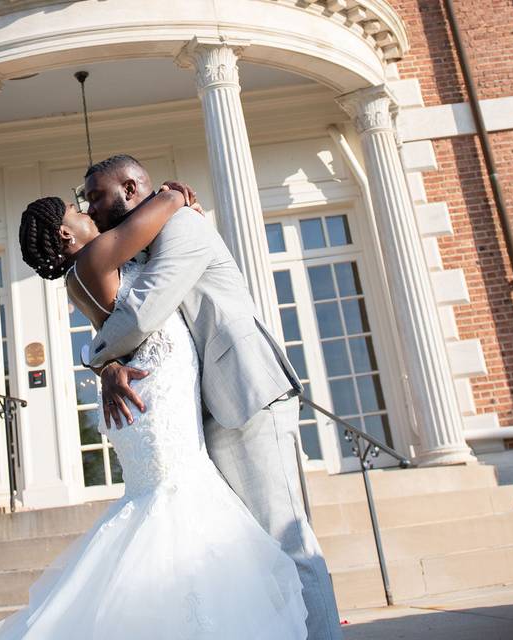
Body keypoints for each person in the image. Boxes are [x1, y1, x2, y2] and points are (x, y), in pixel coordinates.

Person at [0, 183, 307, 639]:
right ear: (67, 237)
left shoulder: (89, 272)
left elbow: (112, 332)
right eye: (77, 209)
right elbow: (155, 214)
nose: (87, 212)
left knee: (179, 507)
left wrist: (105, 364)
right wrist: (171, 195)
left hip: (149, 389)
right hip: (154, 395)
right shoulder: (92, 260)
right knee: (176, 506)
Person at [85, 155, 343, 640]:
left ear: (132, 186)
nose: (91, 208)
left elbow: (143, 316)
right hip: (205, 415)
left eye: (97, 196)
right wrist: (113, 364)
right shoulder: (143, 247)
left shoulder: (183, 227)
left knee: (286, 543)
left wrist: (94, 358)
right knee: (250, 554)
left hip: (249, 397)